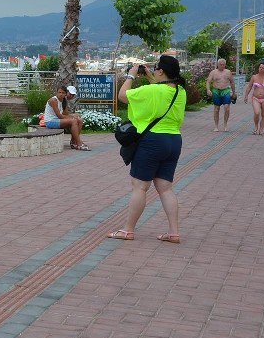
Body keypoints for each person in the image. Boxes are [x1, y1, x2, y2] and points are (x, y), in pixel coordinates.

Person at [107, 55, 187, 244]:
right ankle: (174, 232)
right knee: (166, 189)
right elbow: (161, 87)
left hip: (153, 141)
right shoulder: (180, 91)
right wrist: (152, 75)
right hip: (174, 141)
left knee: (140, 187)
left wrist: (131, 75)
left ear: (161, 71)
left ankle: (128, 230)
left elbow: (122, 96)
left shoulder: (152, 91)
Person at [43, 84, 88, 150]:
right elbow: (60, 116)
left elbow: (66, 114)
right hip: (50, 122)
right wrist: (72, 117)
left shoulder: (63, 101)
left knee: (80, 120)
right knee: (73, 121)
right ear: (57, 93)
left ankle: (73, 142)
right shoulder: (53, 100)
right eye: (59, 92)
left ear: (65, 94)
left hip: (57, 120)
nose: (61, 94)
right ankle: (79, 143)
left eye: (63, 93)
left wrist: (74, 116)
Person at [243, 62, 264, 135]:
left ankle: (261, 129)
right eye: (260, 67)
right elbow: (249, 87)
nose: (260, 69)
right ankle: (256, 127)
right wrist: (246, 96)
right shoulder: (254, 77)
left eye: (262, 68)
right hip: (256, 98)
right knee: (257, 112)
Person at [205, 59, 236, 132]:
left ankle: (225, 125)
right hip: (216, 91)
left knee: (227, 108)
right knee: (216, 109)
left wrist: (234, 92)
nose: (222, 66)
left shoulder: (228, 72)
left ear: (225, 65)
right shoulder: (213, 72)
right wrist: (208, 90)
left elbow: (232, 82)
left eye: (223, 64)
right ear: (218, 65)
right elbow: (208, 81)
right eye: (220, 64)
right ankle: (216, 126)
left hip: (226, 91)